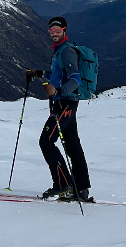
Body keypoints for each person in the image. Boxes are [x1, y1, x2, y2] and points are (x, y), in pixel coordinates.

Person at [29, 16, 92, 202]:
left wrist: (58, 90)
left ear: (64, 30)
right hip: (65, 102)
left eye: (57, 31)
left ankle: (63, 185)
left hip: (65, 103)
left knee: (46, 141)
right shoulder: (58, 52)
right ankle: (81, 189)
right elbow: (58, 75)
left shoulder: (66, 52)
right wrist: (40, 75)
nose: (54, 34)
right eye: (51, 31)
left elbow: (75, 79)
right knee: (72, 145)